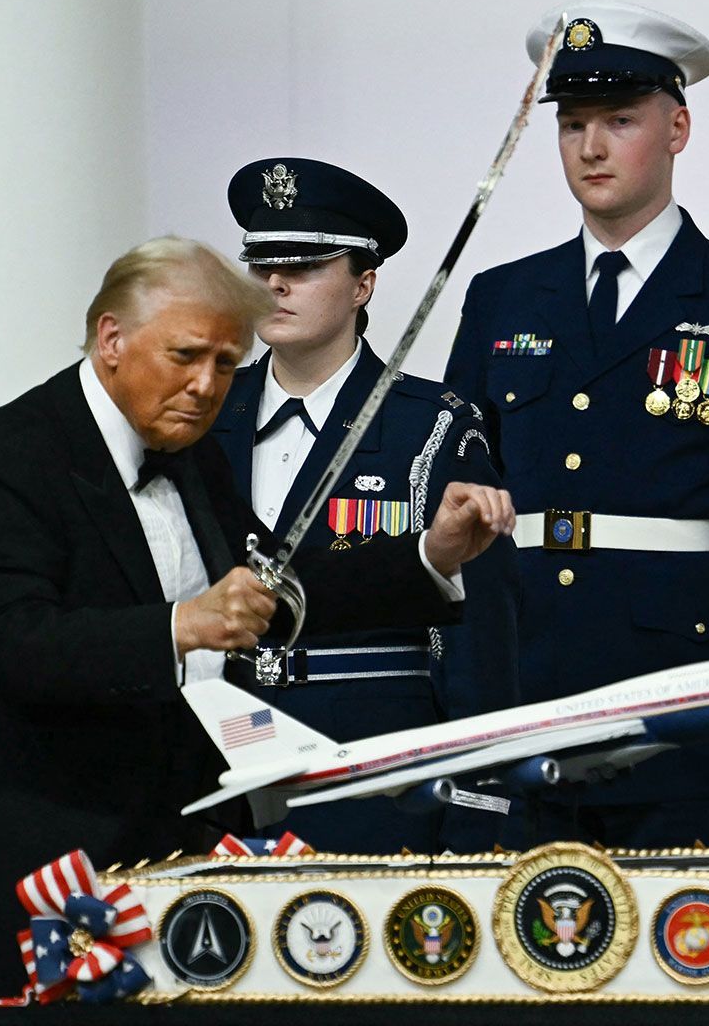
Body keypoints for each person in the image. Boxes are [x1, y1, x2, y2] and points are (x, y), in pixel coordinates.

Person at [0, 236, 514, 1021]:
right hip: (17, 877)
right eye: (184, 356)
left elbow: (269, 589)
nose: (207, 386)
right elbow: (3, 645)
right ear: (111, 339)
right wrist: (178, 626)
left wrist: (428, 553)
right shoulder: (8, 458)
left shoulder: (188, 451)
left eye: (225, 363)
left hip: (159, 878)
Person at [444, 0, 709, 850]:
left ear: (678, 128)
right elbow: (457, 510)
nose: (591, 147)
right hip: (517, 708)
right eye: (573, 123)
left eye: (620, 120)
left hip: (679, 711)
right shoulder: (502, 299)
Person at [210, 157, 520, 854]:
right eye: (261, 267)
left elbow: (479, 637)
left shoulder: (433, 424)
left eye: (307, 266)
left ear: (364, 284)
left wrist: (479, 805)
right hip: (216, 763)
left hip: (375, 776)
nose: (277, 285)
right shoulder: (203, 415)